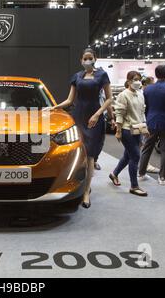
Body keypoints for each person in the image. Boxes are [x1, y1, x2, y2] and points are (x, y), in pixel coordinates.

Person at [47, 48, 113, 209]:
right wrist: (53, 107)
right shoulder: (77, 76)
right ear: (81, 60)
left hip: (94, 119)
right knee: (77, 153)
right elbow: (70, 100)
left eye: (90, 58)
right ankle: (73, 184)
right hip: (78, 117)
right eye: (85, 58)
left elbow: (110, 98)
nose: (88, 61)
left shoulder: (102, 75)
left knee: (90, 156)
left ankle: (86, 192)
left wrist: (98, 115)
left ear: (95, 59)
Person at [109, 71, 148, 197]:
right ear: (129, 80)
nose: (137, 82)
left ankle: (114, 174)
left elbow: (142, 112)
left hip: (138, 129)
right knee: (135, 156)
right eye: (135, 79)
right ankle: (134, 186)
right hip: (127, 130)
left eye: (139, 79)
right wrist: (118, 131)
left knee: (127, 156)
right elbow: (119, 114)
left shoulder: (140, 94)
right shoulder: (123, 95)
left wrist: (144, 128)